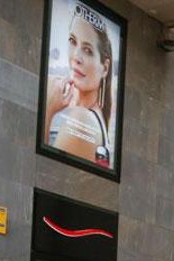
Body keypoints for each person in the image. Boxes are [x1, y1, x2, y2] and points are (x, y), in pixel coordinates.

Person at [44, 3, 116, 169]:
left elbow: (47, 174)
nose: (76, 56)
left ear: (104, 67)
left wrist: (48, 110)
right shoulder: (90, 116)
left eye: (88, 50)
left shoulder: (81, 119)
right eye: (72, 41)